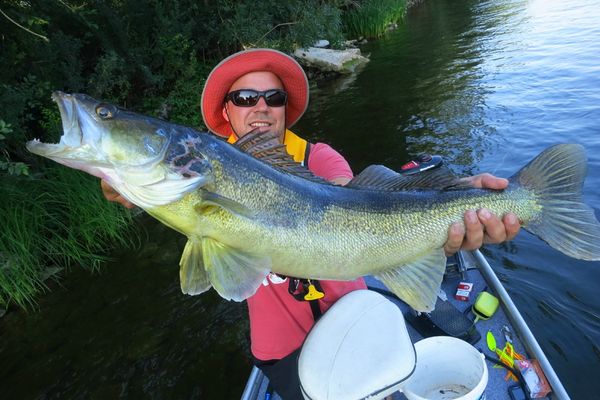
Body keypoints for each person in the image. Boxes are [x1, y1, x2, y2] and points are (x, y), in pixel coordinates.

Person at [101, 48, 521, 399]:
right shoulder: (199, 171)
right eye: (245, 98)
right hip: (282, 349)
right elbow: (175, 200)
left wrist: (455, 193)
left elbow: (362, 199)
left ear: (286, 107)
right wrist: (131, 191)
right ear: (226, 112)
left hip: (356, 315)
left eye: (273, 97)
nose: (261, 107)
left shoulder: (319, 158)